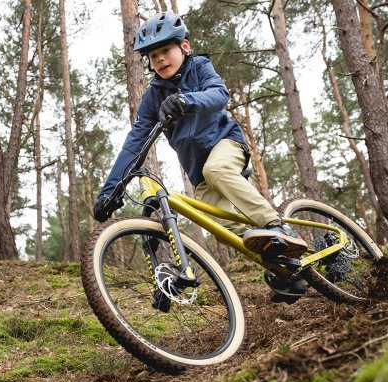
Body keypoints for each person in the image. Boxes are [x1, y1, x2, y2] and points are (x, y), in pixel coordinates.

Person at [92, 11, 308, 258]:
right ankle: (284, 268)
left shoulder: (199, 67)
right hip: (198, 173)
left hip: (226, 143)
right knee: (220, 227)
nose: (160, 59)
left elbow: (219, 94)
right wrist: (109, 192)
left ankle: (277, 226)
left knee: (216, 169)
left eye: (165, 50)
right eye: (153, 56)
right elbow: (133, 146)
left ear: (184, 46)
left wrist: (186, 99)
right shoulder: (152, 99)